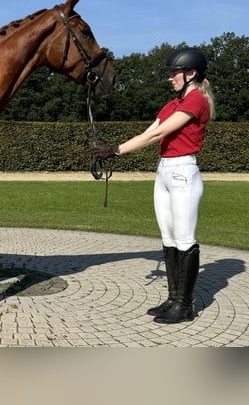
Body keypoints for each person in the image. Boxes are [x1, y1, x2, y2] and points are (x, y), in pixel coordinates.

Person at [92, 47, 216, 324]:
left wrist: (116, 151)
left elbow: (160, 133)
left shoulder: (196, 101)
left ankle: (184, 305)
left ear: (191, 73)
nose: (170, 78)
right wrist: (114, 147)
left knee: (184, 239)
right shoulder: (172, 103)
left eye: (175, 73)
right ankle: (173, 298)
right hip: (164, 172)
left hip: (183, 171)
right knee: (169, 238)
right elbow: (149, 131)